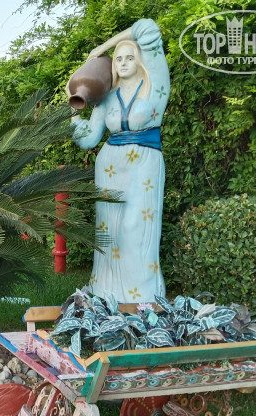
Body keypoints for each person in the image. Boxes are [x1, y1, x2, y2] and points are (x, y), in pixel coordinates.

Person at [71, 19, 170, 303]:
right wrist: (74, 109)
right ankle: (106, 294)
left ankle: (144, 297)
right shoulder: (107, 98)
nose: (123, 63)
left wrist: (102, 48)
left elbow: (148, 28)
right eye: (118, 59)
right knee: (110, 231)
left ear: (141, 60)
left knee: (135, 227)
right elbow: (89, 139)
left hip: (144, 163)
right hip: (110, 166)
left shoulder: (156, 86)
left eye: (129, 57)